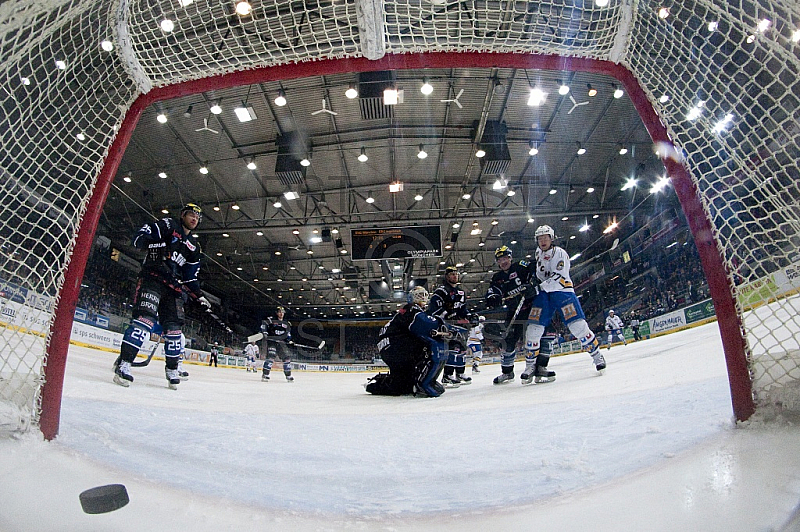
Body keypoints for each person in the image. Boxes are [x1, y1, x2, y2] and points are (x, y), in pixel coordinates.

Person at [113, 203, 210, 389]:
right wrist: (155, 245)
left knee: (174, 331)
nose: (194, 219)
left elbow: (190, 277)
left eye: (198, 217)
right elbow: (140, 237)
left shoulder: (194, 246)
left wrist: (199, 296)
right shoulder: (169, 225)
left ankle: (172, 369)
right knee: (144, 322)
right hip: (153, 279)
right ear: (183, 215)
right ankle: (124, 363)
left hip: (173, 289)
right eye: (191, 215)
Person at [518, 226, 607, 379]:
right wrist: (533, 280)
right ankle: (530, 366)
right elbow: (541, 274)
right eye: (540, 238)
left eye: (545, 237)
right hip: (544, 294)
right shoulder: (538, 253)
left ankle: (597, 356)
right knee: (533, 330)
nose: (543, 240)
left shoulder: (560, 253)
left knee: (577, 326)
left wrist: (537, 288)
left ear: (552, 238)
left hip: (562, 291)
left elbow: (558, 278)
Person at [485, 245, 555, 385]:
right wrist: (493, 298)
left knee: (546, 333)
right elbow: (492, 293)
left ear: (510, 258)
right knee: (508, 340)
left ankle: (541, 367)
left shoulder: (520, 266)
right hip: (515, 312)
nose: (503, 261)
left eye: (505, 258)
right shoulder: (497, 278)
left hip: (533, 307)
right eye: (500, 259)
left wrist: (532, 282)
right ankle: (507, 372)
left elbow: (535, 268)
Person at [365, 286, 452, 397]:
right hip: (393, 346)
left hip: (391, 347)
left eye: (424, 295)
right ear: (411, 298)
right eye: (419, 295)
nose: (422, 298)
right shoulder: (411, 310)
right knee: (427, 345)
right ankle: (422, 383)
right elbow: (425, 322)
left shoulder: (410, 311)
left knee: (404, 386)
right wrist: (443, 323)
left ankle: (388, 383)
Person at [427, 266, 479, 386]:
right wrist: (446, 315)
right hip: (443, 325)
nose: (455, 276)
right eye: (451, 274)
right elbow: (434, 308)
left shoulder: (461, 292)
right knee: (452, 347)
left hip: (457, 324)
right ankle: (447, 375)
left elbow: (463, 309)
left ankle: (460, 372)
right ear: (447, 276)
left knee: (462, 347)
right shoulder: (441, 291)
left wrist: (470, 316)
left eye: (456, 273)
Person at [261, 306, 294, 382]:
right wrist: (265, 333)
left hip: (281, 343)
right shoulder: (271, 319)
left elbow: (288, 334)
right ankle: (265, 374)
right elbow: (264, 325)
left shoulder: (286, 323)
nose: (281, 314)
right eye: (279, 312)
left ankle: (288, 375)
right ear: (276, 313)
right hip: (272, 341)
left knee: (286, 358)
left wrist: (289, 340)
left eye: (282, 312)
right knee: (271, 356)